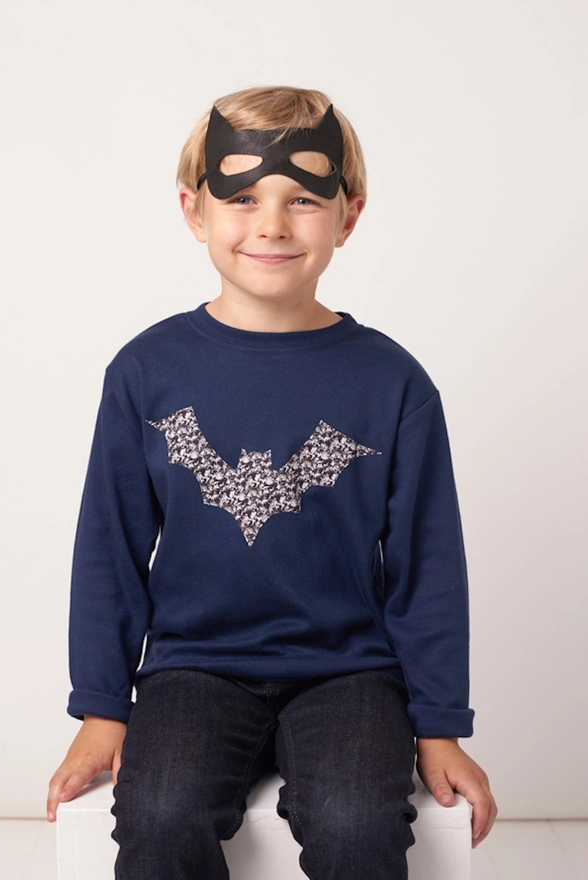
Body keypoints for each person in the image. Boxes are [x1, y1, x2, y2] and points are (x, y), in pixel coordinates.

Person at [47, 85, 497, 879]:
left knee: (360, 825)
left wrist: (438, 725)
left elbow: (429, 567)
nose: (272, 223)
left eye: (304, 198)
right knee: (158, 812)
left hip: (350, 670)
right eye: (243, 194)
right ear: (195, 210)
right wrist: (102, 706)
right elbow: (108, 552)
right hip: (194, 665)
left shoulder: (390, 384)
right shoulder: (148, 374)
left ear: (348, 215)